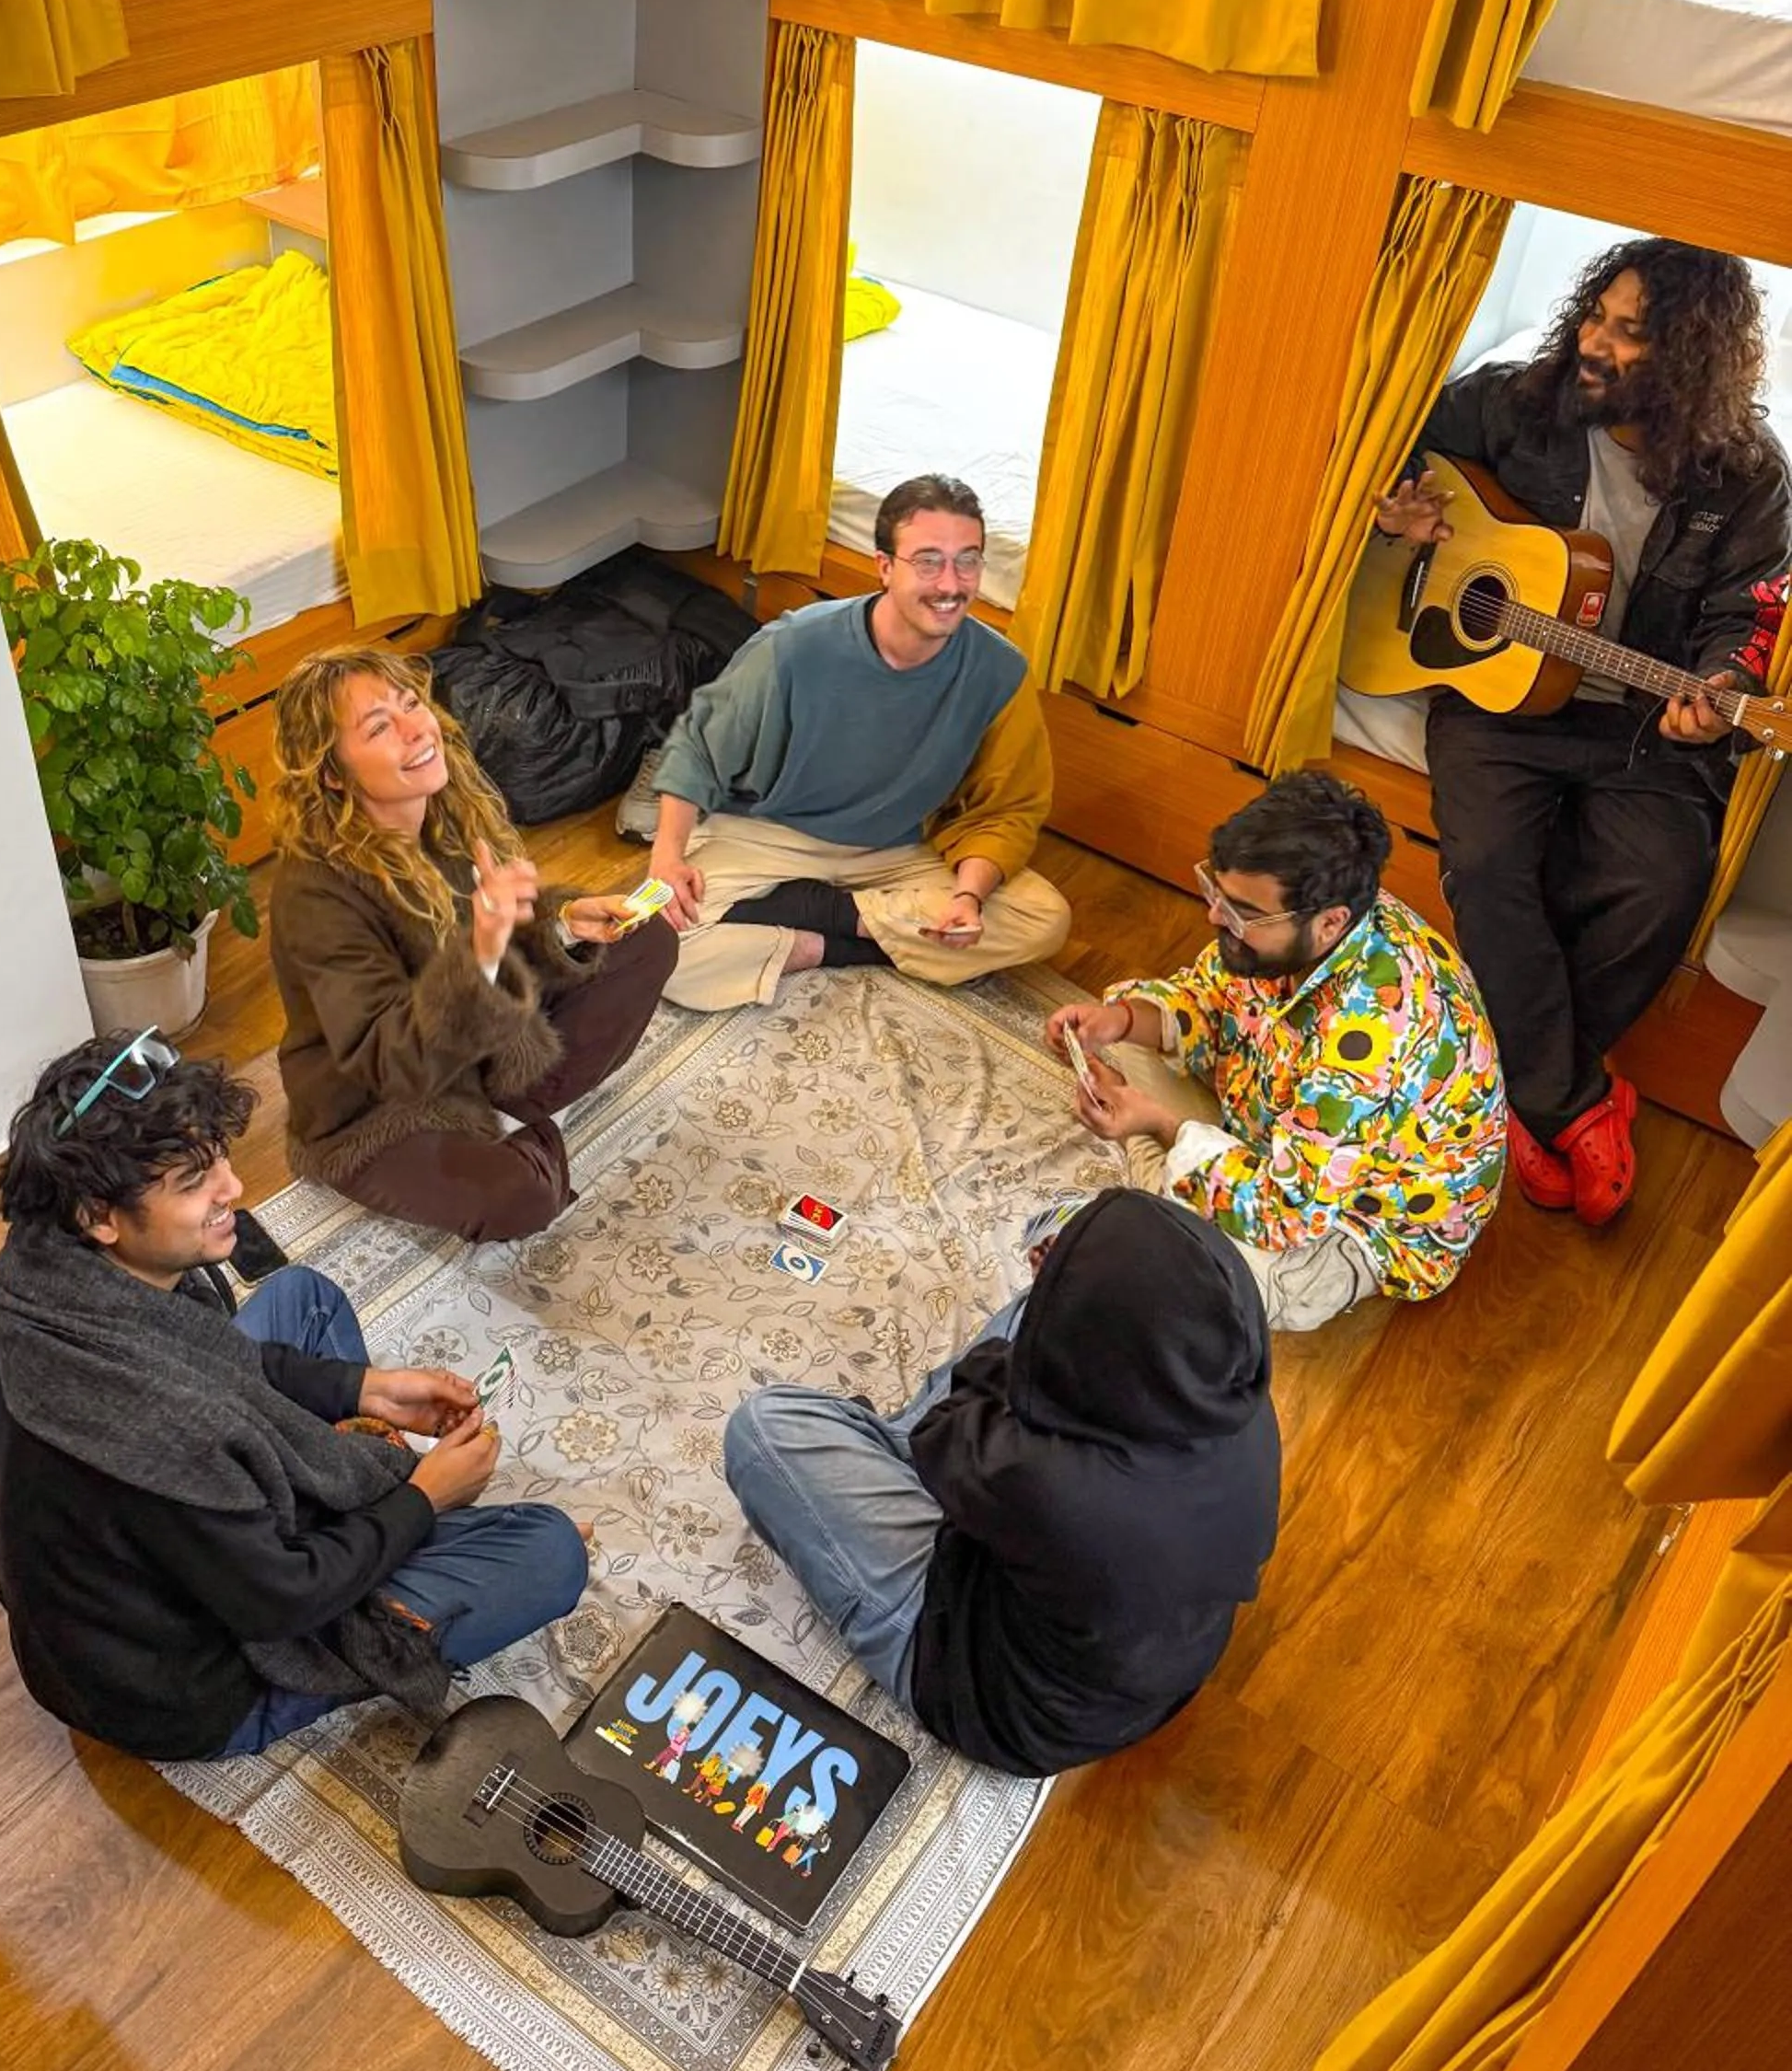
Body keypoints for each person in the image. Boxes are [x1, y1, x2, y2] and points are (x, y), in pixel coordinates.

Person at [0, 1032, 589, 1764]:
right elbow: (282, 1600)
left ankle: (375, 1498)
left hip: (146, 1578)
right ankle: (411, 1533)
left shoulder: (52, 1278)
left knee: (304, 1298)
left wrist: (366, 1389)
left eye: (219, 1158)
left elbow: (213, 1361)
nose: (232, 1188)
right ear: (99, 1215)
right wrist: (425, 1499)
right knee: (546, 1552)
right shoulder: (158, 1429)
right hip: (193, 1691)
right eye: (194, 1181)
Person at [1376, 239, 1790, 1224]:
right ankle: (1571, 1099)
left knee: (1661, 885)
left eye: (1629, 333)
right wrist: (1400, 511)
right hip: (1498, 701)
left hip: (1643, 727)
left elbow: (1750, 616)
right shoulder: (1519, 399)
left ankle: (1523, 1092)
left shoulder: (1751, 476)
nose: (1595, 343)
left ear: (1692, 353)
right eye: (1596, 316)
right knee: (1484, 863)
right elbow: (1389, 439)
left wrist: (1724, 685)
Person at [723, 1190, 1279, 1778]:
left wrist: (1039, 1326)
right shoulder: (1243, 1405)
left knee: (764, 1432)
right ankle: (881, 1460)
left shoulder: (1056, 1488)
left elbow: (954, 1416)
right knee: (1048, 1307)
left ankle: (870, 1457)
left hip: (990, 1687)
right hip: (1124, 1641)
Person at [1048, 772, 1505, 1331]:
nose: (1215, 917)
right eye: (1215, 891)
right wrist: (1117, 1021)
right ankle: (1174, 1180)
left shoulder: (1368, 1041)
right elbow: (1210, 997)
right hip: (1280, 1124)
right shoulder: (1307, 919)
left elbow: (1284, 1216)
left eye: (1238, 910)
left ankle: (1166, 1175)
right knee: (1128, 1038)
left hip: (1354, 1219)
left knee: (1216, 1290)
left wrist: (1159, 1124)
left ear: (1330, 923)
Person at [268, 647, 676, 1242]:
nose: (417, 729)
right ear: (331, 772)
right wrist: (481, 953)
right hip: (376, 1107)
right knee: (521, 1199)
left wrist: (564, 923)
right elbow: (390, 1063)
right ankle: (515, 1135)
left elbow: (508, 924)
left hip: (477, 1050)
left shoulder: (450, 808)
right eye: (380, 727)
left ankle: (512, 1118)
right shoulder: (315, 894)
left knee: (648, 941)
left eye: (411, 704)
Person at [644, 474, 1071, 1008]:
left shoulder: (1001, 672)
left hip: (899, 848)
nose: (951, 584)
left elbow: (1009, 810)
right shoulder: (795, 645)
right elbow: (698, 750)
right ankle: (845, 930)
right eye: (928, 561)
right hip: (772, 834)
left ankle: (819, 928)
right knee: (652, 948)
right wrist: (666, 857)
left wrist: (967, 896)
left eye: (968, 560)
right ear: (885, 566)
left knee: (1044, 918)